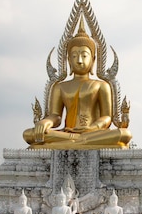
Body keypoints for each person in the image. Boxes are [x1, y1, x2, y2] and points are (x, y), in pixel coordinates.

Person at [22, 18, 132, 149]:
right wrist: (45, 122)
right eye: (74, 56)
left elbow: (106, 117)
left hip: (94, 133)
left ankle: (76, 141)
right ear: (68, 60)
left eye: (84, 55)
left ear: (93, 59)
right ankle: (78, 140)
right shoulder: (60, 86)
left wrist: (94, 127)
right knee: (29, 134)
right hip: (67, 133)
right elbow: (56, 117)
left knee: (124, 134)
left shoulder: (101, 85)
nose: (79, 60)